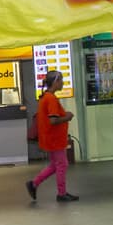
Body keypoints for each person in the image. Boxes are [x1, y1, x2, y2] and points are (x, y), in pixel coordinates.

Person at [26, 70, 78, 202]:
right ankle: (61, 193)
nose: (63, 83)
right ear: (55, 82)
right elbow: (53, 120)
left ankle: (34, 184)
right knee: (62, 165)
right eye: (61, 80)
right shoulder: (51, 99)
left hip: (50, 138)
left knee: (55, 165)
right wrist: (67, 117)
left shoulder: (46, 97)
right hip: (55, 139)